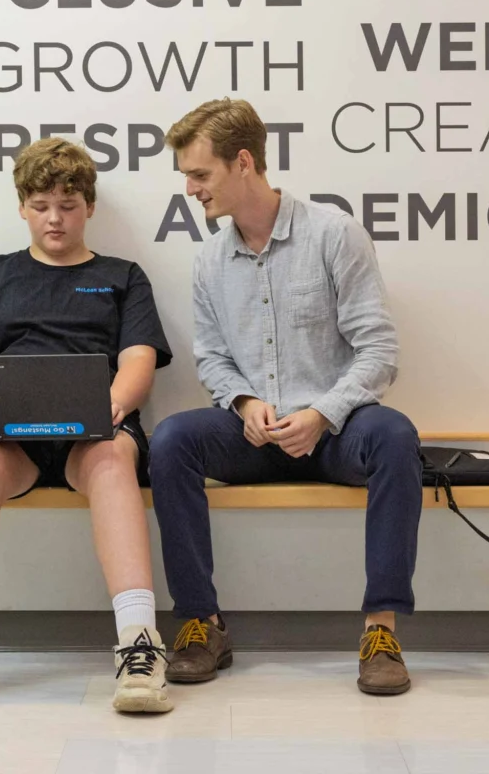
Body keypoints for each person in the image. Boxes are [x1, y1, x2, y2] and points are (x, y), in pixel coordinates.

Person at [150, 98, 423, 696]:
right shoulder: (209, 261)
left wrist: (323, 413)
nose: (191, 189)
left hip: (333, 432)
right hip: (254, 434)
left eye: (201, 174)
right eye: (188, 178)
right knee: (171, 440)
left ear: (243, 161)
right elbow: (213, 359)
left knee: (397, 436)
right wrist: (244, 403)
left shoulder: (334, 235)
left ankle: (381, 630)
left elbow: (379, 351)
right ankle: (202, 621)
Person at [0, 137, 175, 717]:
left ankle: (139, 646)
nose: (55, 218)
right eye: (42, 204)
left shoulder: (123, 276)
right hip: (11, 441)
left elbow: (138, 364)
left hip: (95, 434)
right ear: (22, 206)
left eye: (69, 205)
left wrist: (108, 409)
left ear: (90, 208)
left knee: (110, 458)